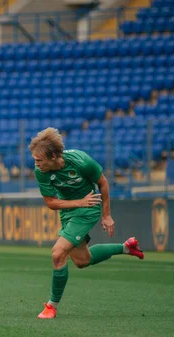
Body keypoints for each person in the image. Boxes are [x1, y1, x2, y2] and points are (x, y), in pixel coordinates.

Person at [29, 127, 144, 319]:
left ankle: (51, 306)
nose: (36, 164)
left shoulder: (81, 161)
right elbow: (50, 203)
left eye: (39, 160)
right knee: (82, 261)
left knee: (58, 254)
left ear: (54, 156)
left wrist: (106, 215)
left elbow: (103, 183)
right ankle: (126, 248)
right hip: (69, 210)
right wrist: (76, 203)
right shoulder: (40, 171)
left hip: (88, 208)